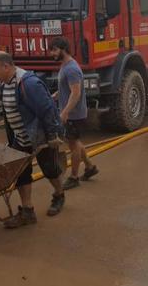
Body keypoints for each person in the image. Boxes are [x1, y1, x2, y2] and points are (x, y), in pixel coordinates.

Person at [0, 51, 65, 228]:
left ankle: (59, 194)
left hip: (39, 136)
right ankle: (27, 211)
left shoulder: (29, 84)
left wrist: (53, 136)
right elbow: (10, 114)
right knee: (21, 174)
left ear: (6, 67)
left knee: (49, 170)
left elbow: (48, 110)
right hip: (20, 138)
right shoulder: (5, 84)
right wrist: (11, 138)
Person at [49, 37, 98, 190]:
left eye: (54, 50)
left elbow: (75, 93)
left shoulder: (71, 69)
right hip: (71, 113)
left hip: (74, 114)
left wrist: (65, 112)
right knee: (75, 142)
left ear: (63, 49)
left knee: (73, 145)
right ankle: (90, 167)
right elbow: (69, 88)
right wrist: (57, 94)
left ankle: (74, 177)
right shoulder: (66, 65)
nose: (52, 53)